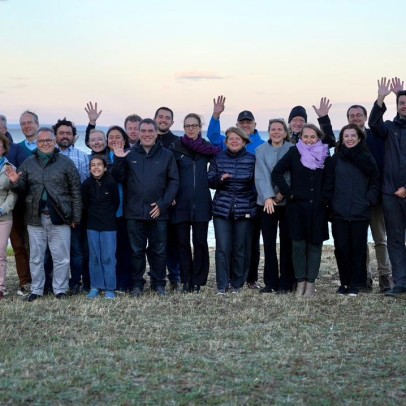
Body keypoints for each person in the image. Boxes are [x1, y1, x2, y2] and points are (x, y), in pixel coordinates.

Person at [317, 100, 393, 292]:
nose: (356, 118)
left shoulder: (376, 135)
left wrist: (371, 197)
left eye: (359, 115)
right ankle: (362, 280)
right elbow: (329, 141)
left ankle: (385, 277)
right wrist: (324, 118)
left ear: (366, 118)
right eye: (352, 116)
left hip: (373, 197)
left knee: (379, 239)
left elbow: (376, 174)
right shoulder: (340, 153)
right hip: (345, 203)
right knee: (354, 245)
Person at [6, 127, 82, 302]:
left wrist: (75, 217)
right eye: (42, 141)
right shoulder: (28, 162)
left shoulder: (66, 163)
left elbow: (76, 191)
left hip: (61, 216)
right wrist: (15, 182)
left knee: (61, 257)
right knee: (36, 256)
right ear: (37, 143)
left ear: (54, 141)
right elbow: (21, 188)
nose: (45, 143)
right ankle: (37, 289)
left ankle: (60, 289)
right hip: (35, 217)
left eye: (49, 140)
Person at [112, 118, 179, 297]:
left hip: (159, 212)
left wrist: (163, 204)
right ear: (138, 133)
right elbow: (118, 177)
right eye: (144, 131)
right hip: (134, 212)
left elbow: (174, 182)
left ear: (156, 133)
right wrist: (118, 159)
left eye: (151, 131)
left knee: (159, 251)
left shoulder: (167, 155)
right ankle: (137, 284)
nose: (147, 134)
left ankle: (159, 284)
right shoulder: (129, 154)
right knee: (136, 251)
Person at [207, 96, 264, 290]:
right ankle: (222, 285)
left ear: (244, 141)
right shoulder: (218, 156)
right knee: (223, 248)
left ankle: (238, 284)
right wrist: (218, 179)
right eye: (231, 138)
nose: (234, 141)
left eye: (237, 139)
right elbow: (210, 179)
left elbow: (259, 182)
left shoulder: (253, 158)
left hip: (246, 208)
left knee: (241, 248)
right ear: (227, 141)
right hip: (222, 209)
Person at [272, 124, 330, 298]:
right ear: (300, 138)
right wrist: (289, 194)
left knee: (315, 246)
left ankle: (310, 285)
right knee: (298, 246)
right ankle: (300, 284)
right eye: (306, 137)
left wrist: (325, 198)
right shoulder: (294, 153)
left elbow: (330, 179)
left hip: (318, 208)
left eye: (313, 137)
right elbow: (277, 173)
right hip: (297, 207)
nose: (309, 140)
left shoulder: (325, 155)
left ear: (318, 137)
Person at [324, 124, 380, 297]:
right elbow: (328, 183)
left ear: (359, 138)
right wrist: (330, 203)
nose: (349, 139)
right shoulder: (335, 159)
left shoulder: (367, 157)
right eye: (346, 136)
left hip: (360, 211)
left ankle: (356, 284)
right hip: (339, 211)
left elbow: (375, 181)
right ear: (342, 138)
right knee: (341, 249)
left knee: (358, 249)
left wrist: (368, 200)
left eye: (352, 135)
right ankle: (344, 283)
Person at [170, 113, 219, 293]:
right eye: (187, 126)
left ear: (200, 127)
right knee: (182, 243)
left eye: (194, 125)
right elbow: (169, 175)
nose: (191, 128)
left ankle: (198, 281)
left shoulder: (207, 149)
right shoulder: (175, 147)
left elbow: (215, 171)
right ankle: (186, 280)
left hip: (201, 202)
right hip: (180, 203)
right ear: (184, 128)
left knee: (200, 243)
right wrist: (170, 195)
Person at [368, 76, 406, 298]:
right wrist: (381, 98)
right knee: (394, 239)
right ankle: (399, 282)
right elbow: (373, 124)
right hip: (390, 193)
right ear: (397, 106)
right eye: (401, 103)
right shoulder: (389, 128)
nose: (404, 106)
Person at [255, 118, 294, 293]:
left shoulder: (293, 149)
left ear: (285, 133)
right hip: (267, 203)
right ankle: (270, 283)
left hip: (287, 202)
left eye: (280, 129)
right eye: (273, 129)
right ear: (269, 131)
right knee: (269, 243)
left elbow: (293, 174)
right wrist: (269, 197)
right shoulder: (260, 150)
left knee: (287, 242)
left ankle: (286, 283)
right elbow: (261, 175)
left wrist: (282, 193)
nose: (276, 132)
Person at [54, 118, 90, 294]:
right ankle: (54, 283)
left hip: (75, 210)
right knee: (53, 251)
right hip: (52, 212)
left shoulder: (82, 157)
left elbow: (83, 186)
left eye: (68, 133)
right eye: (61, 133)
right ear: (55, 136)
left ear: (74, 137)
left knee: (76, 249)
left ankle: (76, 282)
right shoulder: (48, 156)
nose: (65, 136)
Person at [82, 155, 120, 300]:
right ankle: (96, 286)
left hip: (109, 225)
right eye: (93, 165)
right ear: (90, 168)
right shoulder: (86, 184)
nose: (96, 167)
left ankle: (110, 288)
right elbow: (85, 204)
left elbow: (115, 202)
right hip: (92, 224)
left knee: (109, 257)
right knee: (95, 257)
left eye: (99, 165)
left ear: (105, 167)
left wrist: (108, 216)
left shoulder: (111, 182)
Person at [154, 106, 181, 290]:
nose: (163, 120)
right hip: (150, 201)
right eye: (160, 117)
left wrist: (172, 195)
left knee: (172, 241)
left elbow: (180, 172)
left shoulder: (178, 142)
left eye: (167, 118)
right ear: (155, 119)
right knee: (154, 243)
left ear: (172, 122)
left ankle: (175, 277)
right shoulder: (147, 139)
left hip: (172, 200)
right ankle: (156, 276)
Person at [0, 134, 18, 300]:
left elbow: (13, 193)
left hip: (3, 217)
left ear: (4, 149)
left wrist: (1, 209)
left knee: (1, 253)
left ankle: (1, 288)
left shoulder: (10, 168)